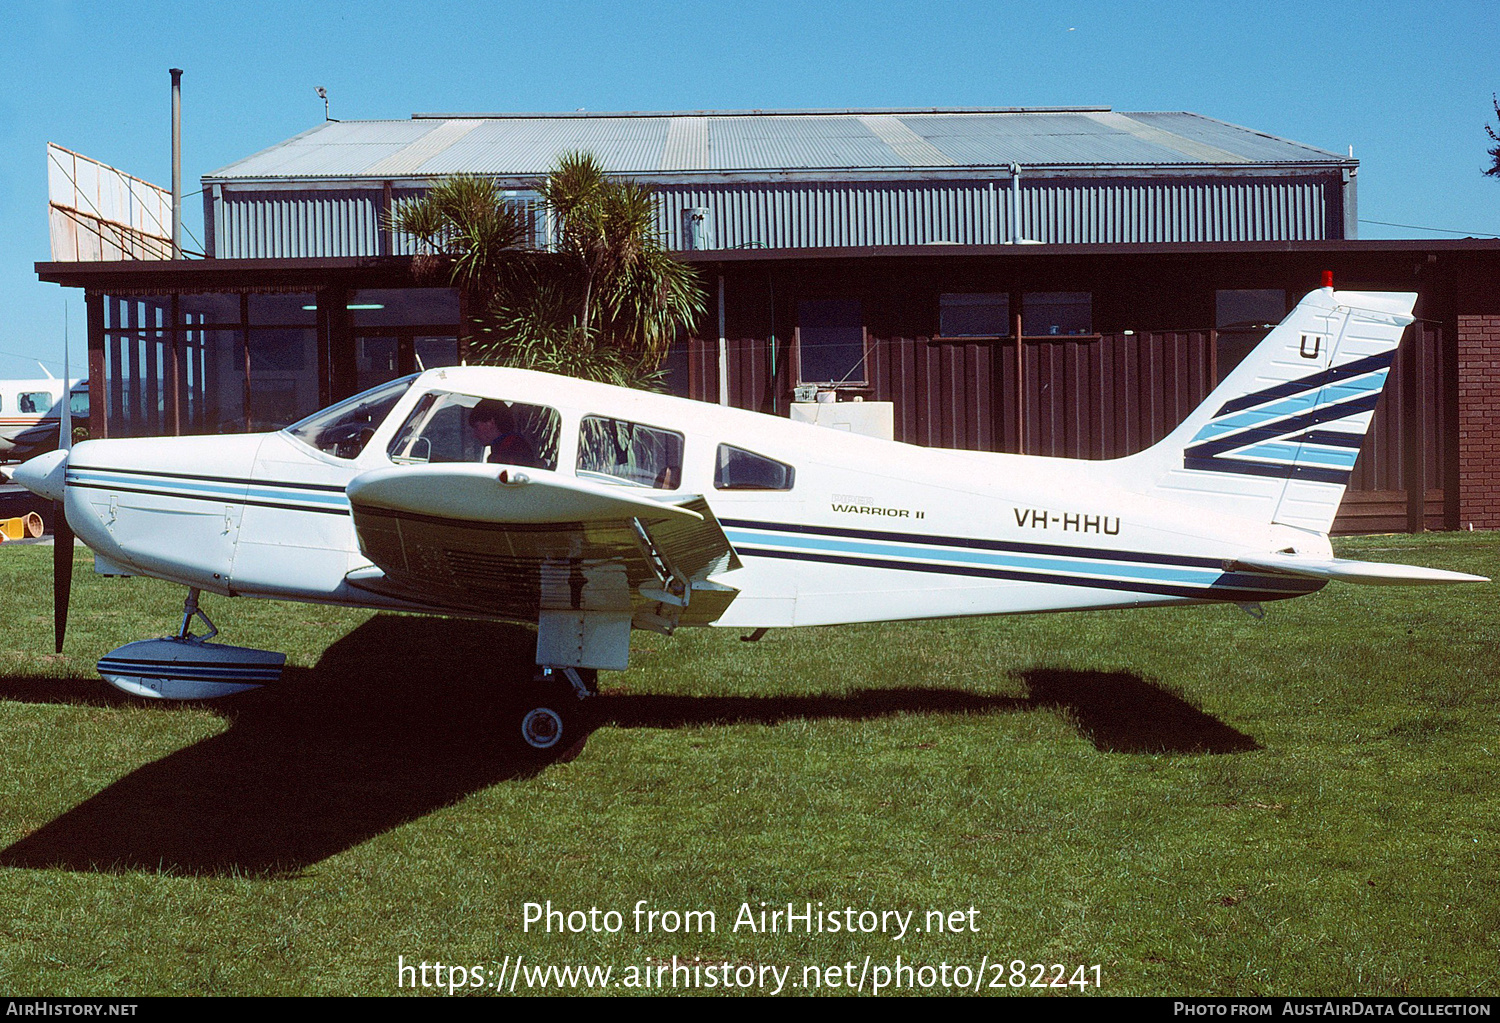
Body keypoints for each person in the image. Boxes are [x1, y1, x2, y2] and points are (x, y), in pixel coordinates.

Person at [468, 400, 539, 466]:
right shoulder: (506, 447)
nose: (475, 435)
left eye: (477, 427)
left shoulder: (513, 450)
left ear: (491, 423)